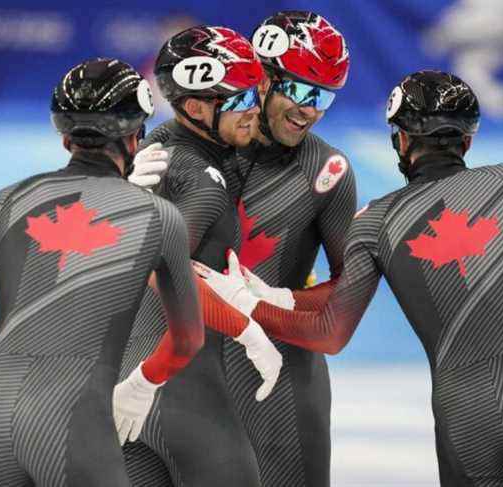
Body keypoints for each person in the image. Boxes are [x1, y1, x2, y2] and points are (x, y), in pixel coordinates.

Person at [197, 70, 503, 486]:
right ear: (467, 141)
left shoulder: (375, 222)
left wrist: (253, 304)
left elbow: (330, 333)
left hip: (463, 415)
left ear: (402, 140)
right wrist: (502, 268)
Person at [0, 58, 205, 487]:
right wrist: (143, 384)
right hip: (72, 419)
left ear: (63, 138)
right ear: (137, 137)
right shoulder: (159, 216)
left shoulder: (10, 199)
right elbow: (188, 339)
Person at [138, 12, 355, 486]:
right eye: (300, 91)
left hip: (279, 377)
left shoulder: (327, 170)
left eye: (324, 98)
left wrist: (272, 302)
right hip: (187, 370)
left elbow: (344, 305)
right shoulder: (173, 147)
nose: (311, 111)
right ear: (261, 79)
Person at [120, 26, 283, 487]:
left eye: (256, 93)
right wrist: (247, 329)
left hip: (124, 384)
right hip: (178, 385)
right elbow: (162, 270)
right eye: (238, 100)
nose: (255, 111)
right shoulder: (203, 181)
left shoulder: (151, 151)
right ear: (195, 107)